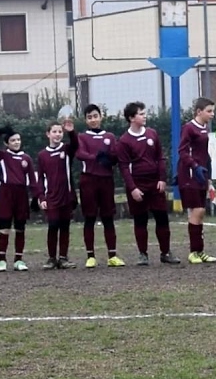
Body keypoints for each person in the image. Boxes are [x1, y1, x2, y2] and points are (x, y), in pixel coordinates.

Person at [115, 101, 178, 265]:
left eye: (144, 113)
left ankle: (166, 253)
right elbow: (124, 167)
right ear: (131, 118)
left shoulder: (152, 134)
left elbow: (160, 158)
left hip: (155, 184)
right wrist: (133, 188)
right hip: (138, 185)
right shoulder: (124, 141)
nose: (145, 116)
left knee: (162, 218)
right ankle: (143, 254)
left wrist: (162, 179)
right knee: (140, 220)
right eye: (141, 114)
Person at [74, 104, 123, 268]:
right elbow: (80, 154)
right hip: (89, 180)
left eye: (95, 116)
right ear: (86, 120)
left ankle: (112, 255)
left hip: (106, 180)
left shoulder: (109, 136)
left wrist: (110, 158)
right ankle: (90, 256)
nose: (93, 120)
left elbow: (116, 156)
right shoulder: (82, 137)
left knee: (108, 217)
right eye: (89, 117)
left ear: (101, 117)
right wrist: (96, 157)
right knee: (89, 217)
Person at [0, 125, 36, 271]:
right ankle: (2, 260)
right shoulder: (2, 155)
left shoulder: (26, 158)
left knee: (20, 228)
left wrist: (35, 197)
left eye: (18, 140)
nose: (16, 142)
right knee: (5, 227)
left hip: (21, 193)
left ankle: (18, 260)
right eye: (13, 140)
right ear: (7, 143)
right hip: (6, 192)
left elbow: (32, 179)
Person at [176, 97, 216, 264]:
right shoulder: (188, 128)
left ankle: (200, 251)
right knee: (197, 210)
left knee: (201, 213)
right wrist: (194, 166)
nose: (212, 114)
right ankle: (194, 251)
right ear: (199, 111)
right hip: (190, 176)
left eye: (213, 111)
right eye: (209, 111)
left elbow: (204, 154)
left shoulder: (204, 128)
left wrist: (208, 176)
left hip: (201, 175)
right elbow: (182, 151)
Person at [36, 118, 78, 269]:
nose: (57, 134)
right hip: (51, 197)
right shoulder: (42, 155)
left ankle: (63, 257)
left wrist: (71, 131)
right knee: (53, 226)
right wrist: (41, 197)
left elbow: (76, 145)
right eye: (54, 132)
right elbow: (40, 178)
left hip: (66, 196)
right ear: (48, 134)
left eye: (60, 132)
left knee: (65, 226)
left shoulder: (66, 150)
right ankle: (52, 258)